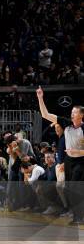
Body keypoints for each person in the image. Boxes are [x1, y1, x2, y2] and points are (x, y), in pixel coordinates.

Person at [37, 86, 84, 224]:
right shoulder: (66, 123)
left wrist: (78, 152)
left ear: (81, 115)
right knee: (68, 189)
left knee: (76, 188)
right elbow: (45, 114)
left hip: (81, 161)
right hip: (69, 160)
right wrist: (40, 98)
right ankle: (76, 216)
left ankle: (79, 216)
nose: (72, 114)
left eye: (75, 112)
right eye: (71, 112)